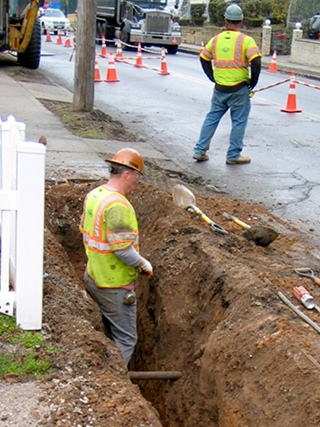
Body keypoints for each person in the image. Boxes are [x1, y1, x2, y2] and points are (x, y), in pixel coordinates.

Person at [79, 148, 153, 366]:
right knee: (126, 339)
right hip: (113, 286)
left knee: (109, 331)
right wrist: (144, 264)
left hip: (93, 277)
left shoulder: (94, 195)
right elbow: (122, 249)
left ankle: (105, 368)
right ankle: (112, 376)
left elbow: (84, 229)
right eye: (136, 176)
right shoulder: (118, 205)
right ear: (127, 173)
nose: (137, 182)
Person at [193, 3, 261, 165]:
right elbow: (256, 62)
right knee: (238, 121)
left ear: (226, 21)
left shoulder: (216, 40)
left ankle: (200, 151)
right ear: (241, 21)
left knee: (212, 118)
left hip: (220, 88)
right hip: (239, 89)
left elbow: (204, 58)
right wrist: (253, 82)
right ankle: (233, 155)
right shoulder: (246, 41)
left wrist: (212, 77)